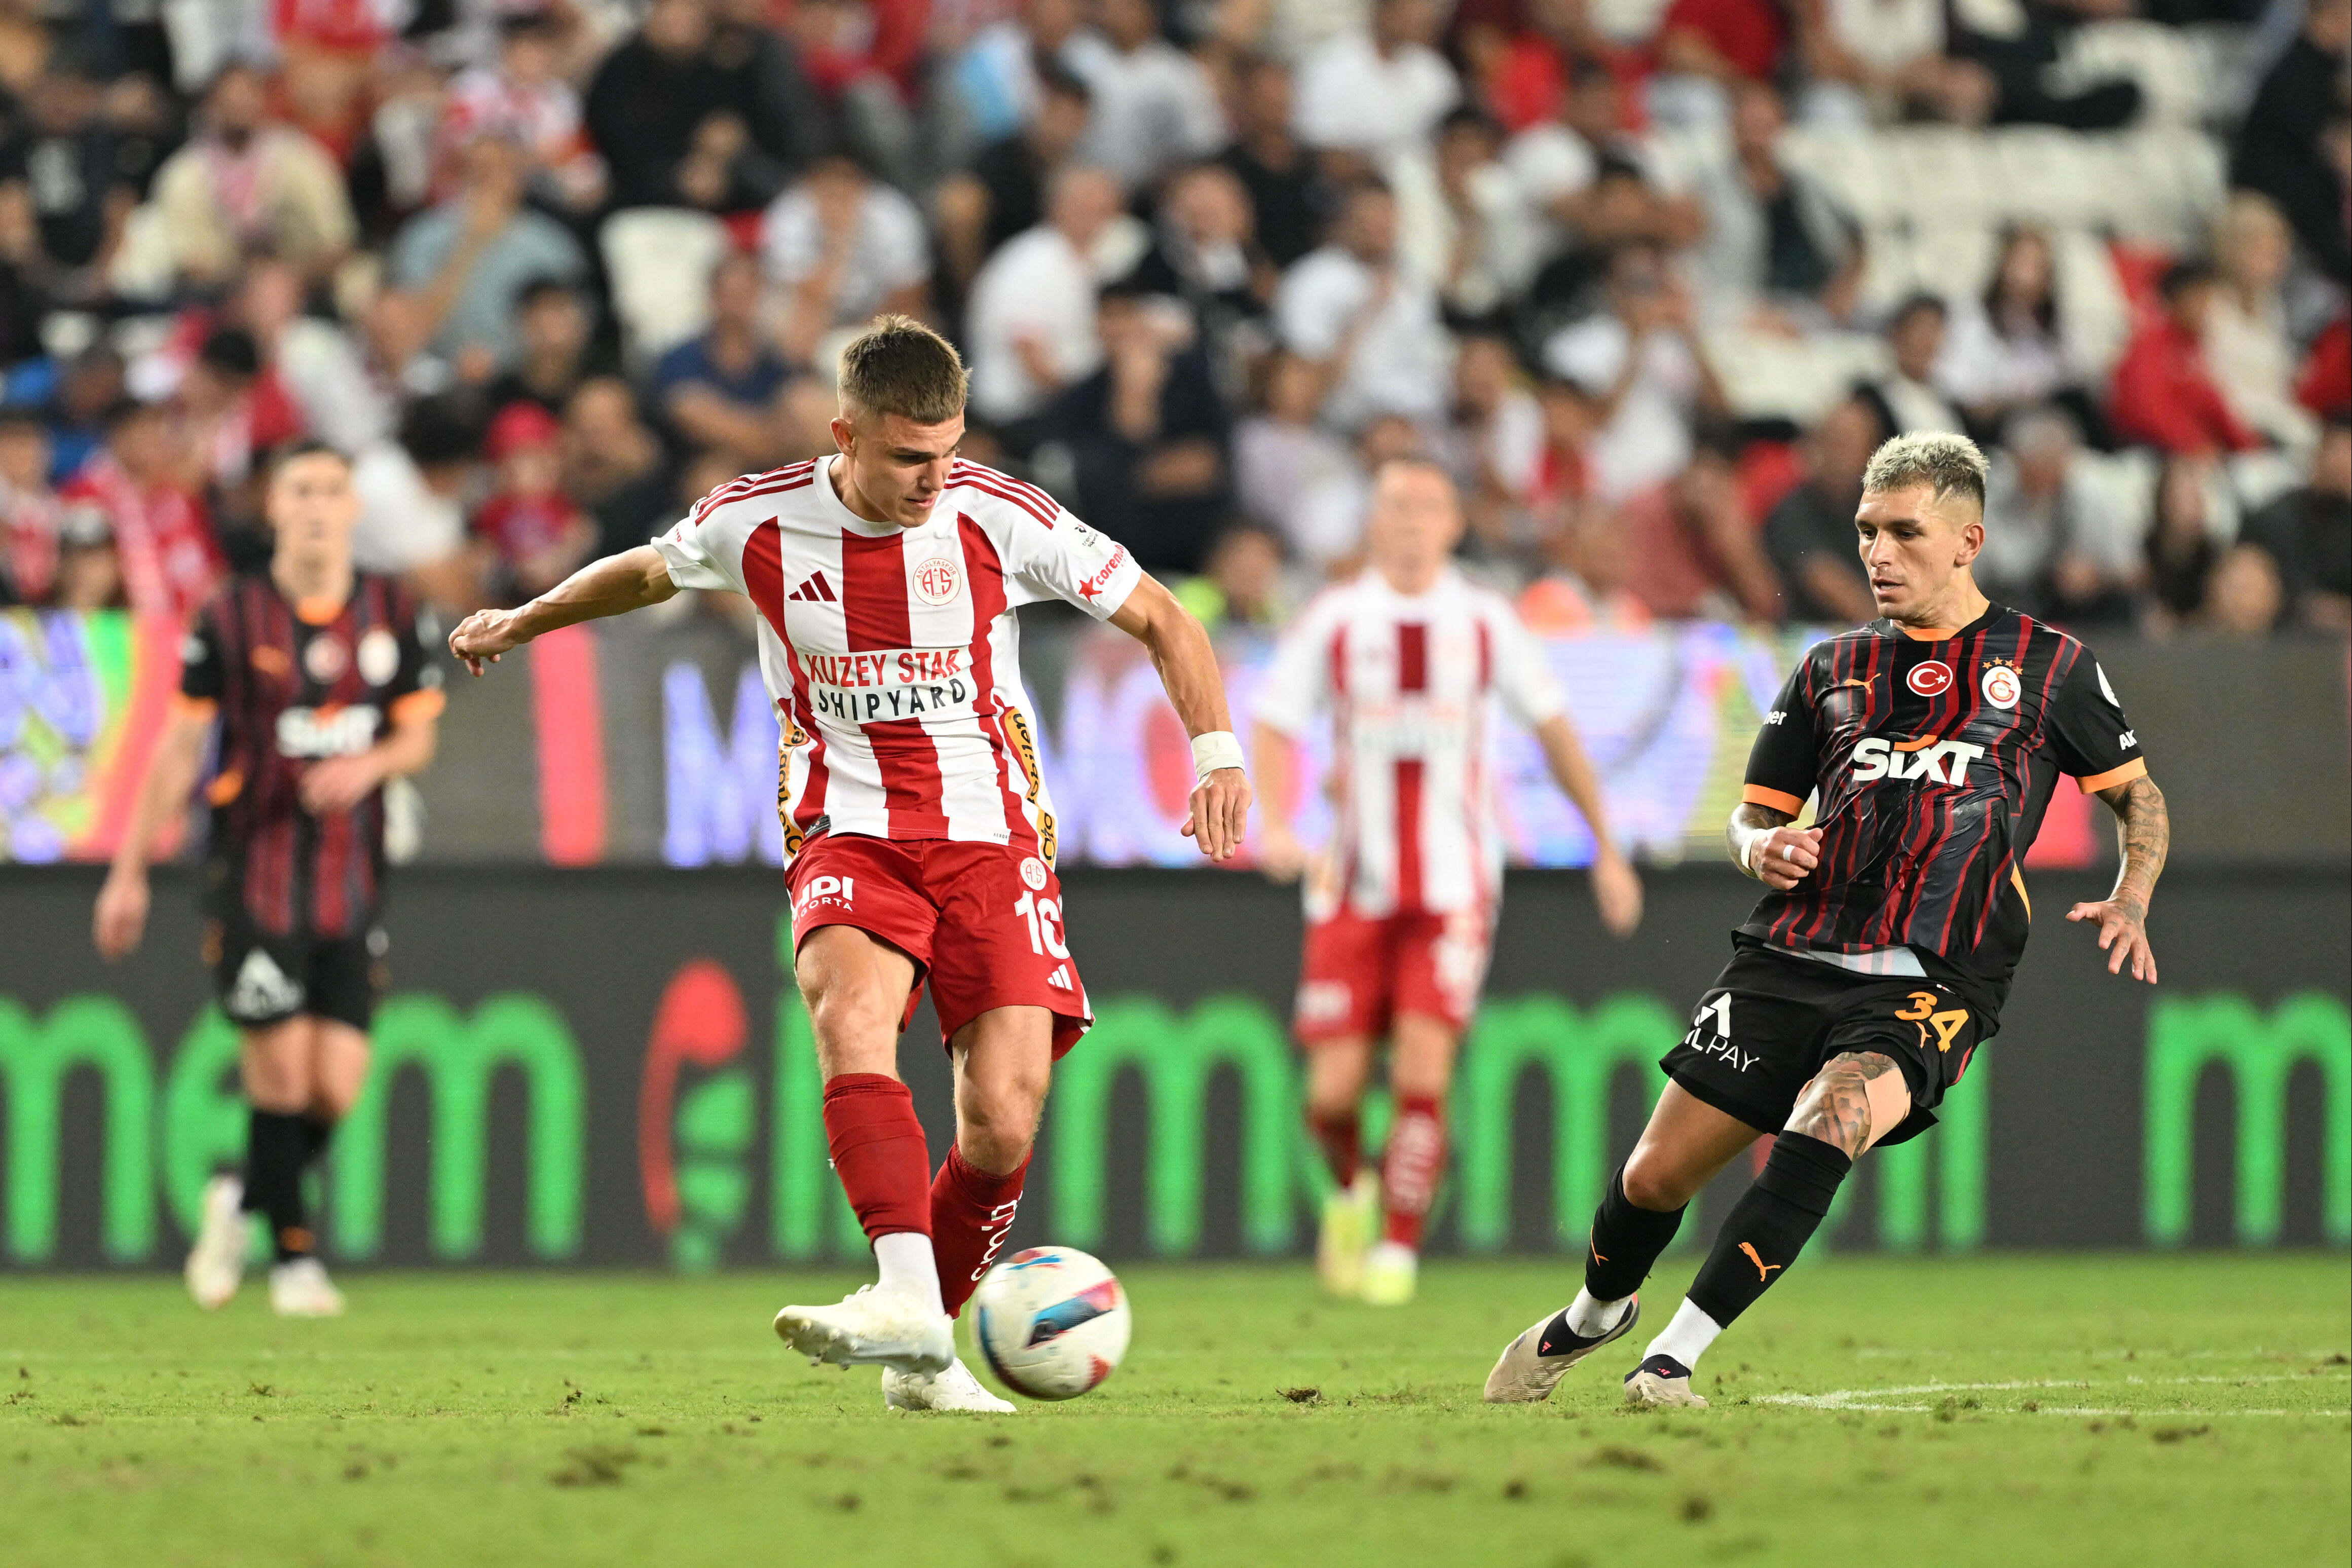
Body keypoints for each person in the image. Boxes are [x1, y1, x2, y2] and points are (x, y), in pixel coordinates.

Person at [444, 316, 1251, 1413]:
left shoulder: (1000, 514)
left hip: (992, 832)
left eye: (948, 451)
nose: (934, 478)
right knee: (850, 1013)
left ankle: (924, 1351)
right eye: (910, 456)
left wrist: (1216, 754)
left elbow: (1162, 615)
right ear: (846, 434)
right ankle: (906, 1294)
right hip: (847, 827)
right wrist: (524, 620)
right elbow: (646, 574)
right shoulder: (758, 518)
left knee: (1003, 1117)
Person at [1483, 431, 2169, 1408]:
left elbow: (2136, 795)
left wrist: (2132, 893)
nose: (1878, 554)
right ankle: (1595, 1315)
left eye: (1904, 532)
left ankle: (1672, 1356)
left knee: (1831, 1115)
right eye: (1865, 531)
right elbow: (1750, 815)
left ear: (1968, 540)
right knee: (1651, 1179)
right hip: (1794, 952)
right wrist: (1757, 848)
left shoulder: (2050, 666)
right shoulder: (1828, 667)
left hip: (1936, 975)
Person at [1252, 458, 1642, 1305]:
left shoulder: (1485, 620)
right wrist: (1276, 823)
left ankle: (1397, 1251)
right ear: (1373, 520)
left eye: (1426, 506)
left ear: (1453, 524)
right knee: (1331, 1095)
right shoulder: (1335, 618)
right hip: (1350, 886)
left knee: (1422, 1074)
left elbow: (1554, 730)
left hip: (1455, 888)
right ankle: (1350, 1192)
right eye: (1395, 505)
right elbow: (1275, 722)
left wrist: (1605, 846)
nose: (1409, 521)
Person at [92, 441, 445, 1317]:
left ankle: (240, 1196)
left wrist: (368, 765)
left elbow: (416, 738)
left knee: (337, 1085)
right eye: (301, 490)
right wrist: (129, 871)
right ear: (274, 506)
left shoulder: (394, 610)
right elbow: (180, 746)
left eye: (332, 490)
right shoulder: (230, 615)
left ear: (354, 507)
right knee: (280, 1074)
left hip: (352, 878)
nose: (317, 505)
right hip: (254, 874)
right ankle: (294, 1260)